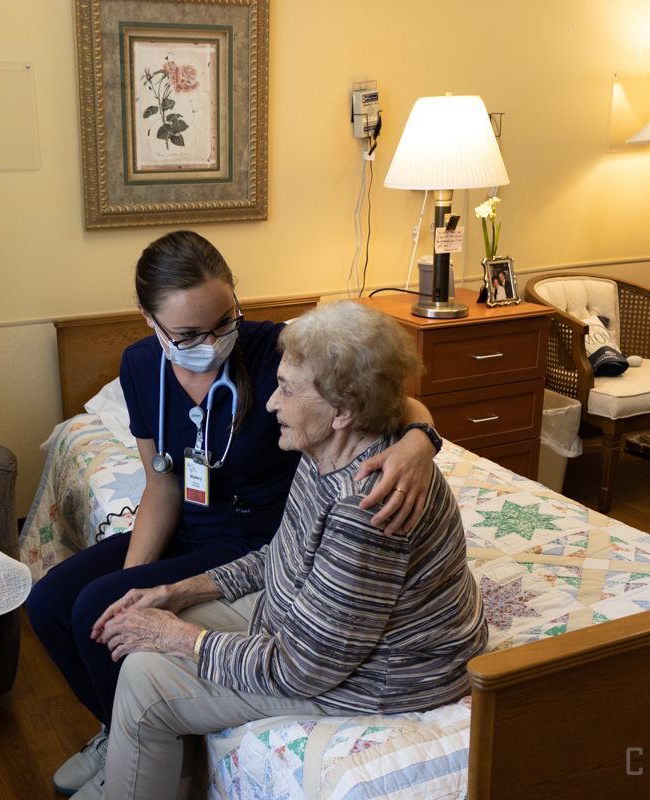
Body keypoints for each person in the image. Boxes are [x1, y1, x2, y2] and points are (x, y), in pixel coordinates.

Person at [25, 231, 445, 798]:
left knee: (99, 612)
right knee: (53, 601)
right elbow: (161, 482)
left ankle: (146, 747)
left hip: (264, 533)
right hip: (198, 526)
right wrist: (136, 581)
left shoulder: (282, 351)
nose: (214, 341)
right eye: (190, 334)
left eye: (225, 320)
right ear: (150, 322)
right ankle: (117, 732)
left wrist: (419, 437)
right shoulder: (142, 367)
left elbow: (378, 393)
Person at [92, 300, 488, 799]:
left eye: (288, 390)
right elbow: (282, 553)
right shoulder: (328, 445)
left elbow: (301, 669)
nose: (272, 403)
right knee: (150, 641)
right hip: (319, 631)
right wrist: (176, 592)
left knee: (147, 682)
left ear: (343, 410)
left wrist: (179, 638)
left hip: (385, 674)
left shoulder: (364, 506)